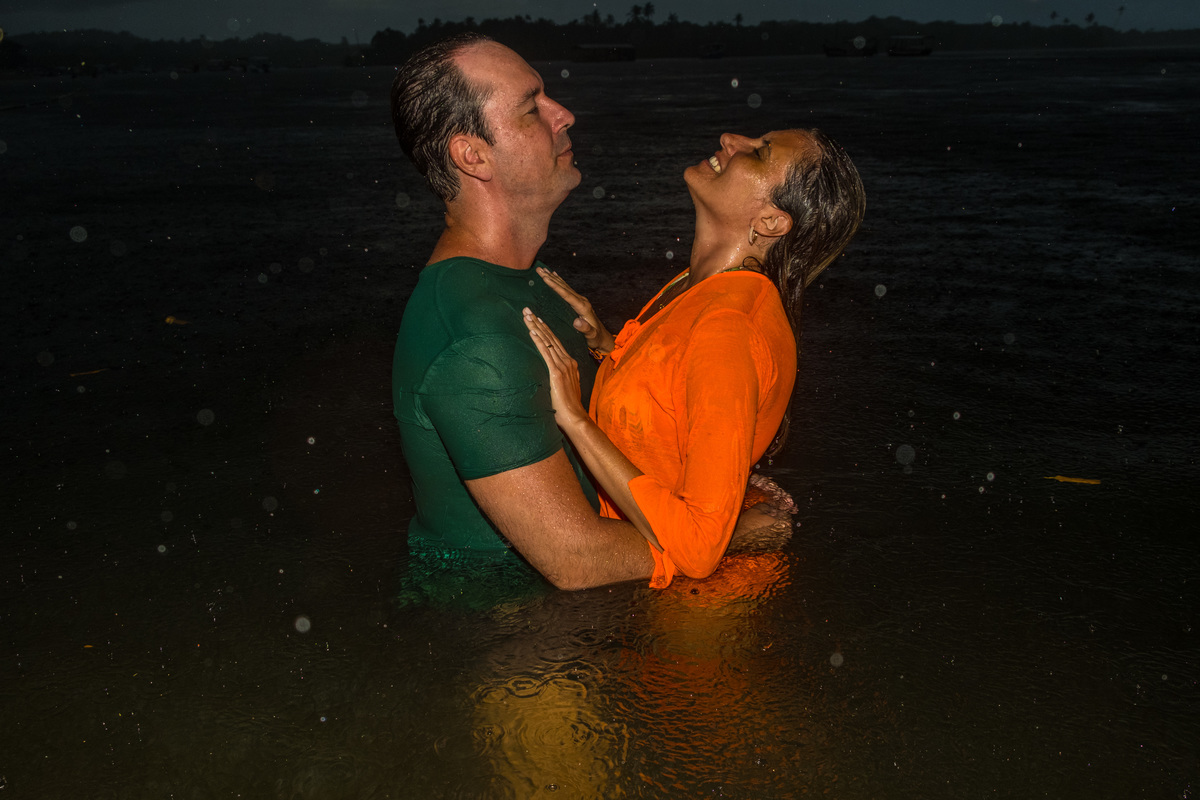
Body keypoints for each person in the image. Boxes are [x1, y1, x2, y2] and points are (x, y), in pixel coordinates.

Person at [523, 127, 865, 588]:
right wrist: (611, 345)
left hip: (690, 610)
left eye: (759, 153)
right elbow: (673, 397)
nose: (731, 138)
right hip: (641, 580)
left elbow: (699, 549)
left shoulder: (730, 325)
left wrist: (575, 419)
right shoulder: (694, 286)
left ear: (770, 222)